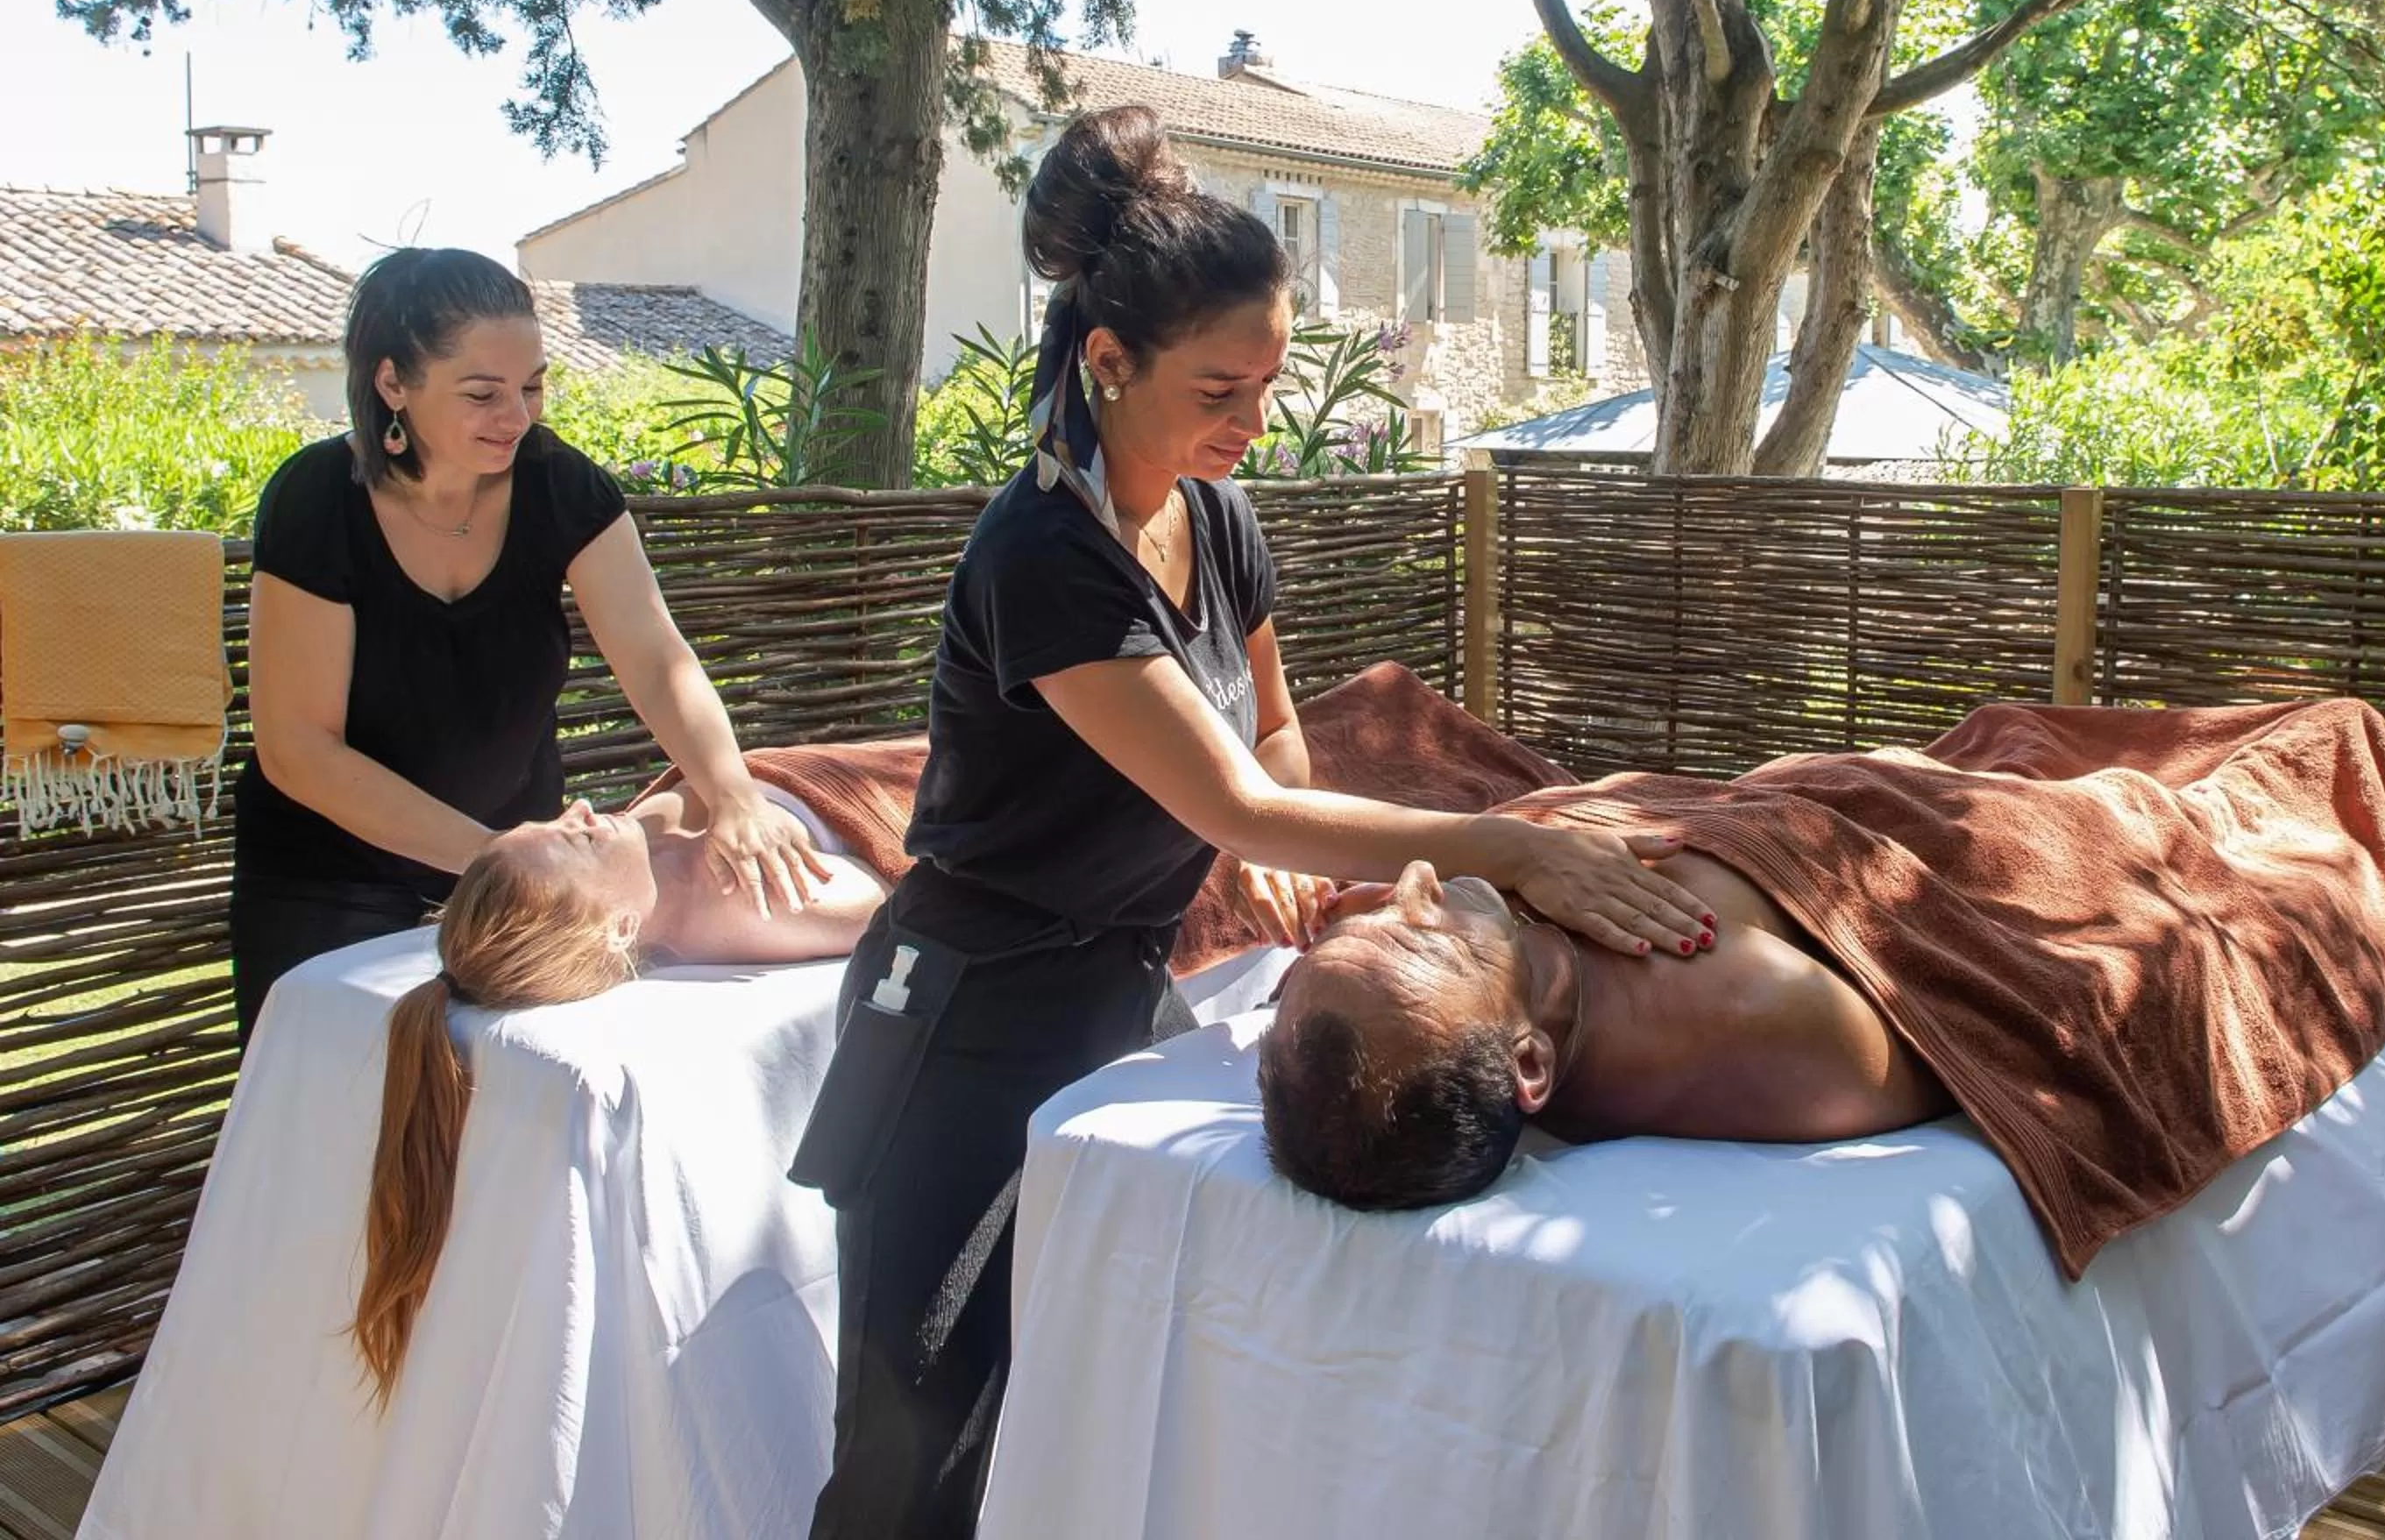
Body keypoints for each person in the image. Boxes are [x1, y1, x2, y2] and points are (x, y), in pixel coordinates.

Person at [800, 104, 1716, 1540]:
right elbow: (1238, 800)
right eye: (1221, 387)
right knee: (910, 1447)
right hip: (965, 1020)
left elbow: (1277, 741)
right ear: (1106, 364)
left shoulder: (1222, 520)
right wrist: (1508, 847)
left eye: (1271, 383)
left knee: (1071, 1396)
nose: (1253, 420)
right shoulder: (1043, 556)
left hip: (1120, 988)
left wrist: (1307, 892)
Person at [230, 248, 828, 1043]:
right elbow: (300, 748)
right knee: (331, 1130)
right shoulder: (316, 503)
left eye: (533, 387)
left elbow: (657, 657)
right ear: (392, 384)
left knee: (507, 1122)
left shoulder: (562, 486)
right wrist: (499, 860)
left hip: (520, 868)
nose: (517, 416)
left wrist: (733, 793)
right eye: (482, 393)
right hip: (330, 882)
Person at [351, 790, 883, 1405]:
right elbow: (893, 879)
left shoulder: (648, 861)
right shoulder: (746, 896)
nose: (579, 806)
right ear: (619, 928)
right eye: (580, 838)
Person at [1260, 856, 1956, 1211]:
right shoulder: (1759, 1008)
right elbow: (1961, 1037)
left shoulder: (1490, 994)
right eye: (1430, 943)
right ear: (1528, 1063)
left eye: (1367, 920)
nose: (1415, 876)